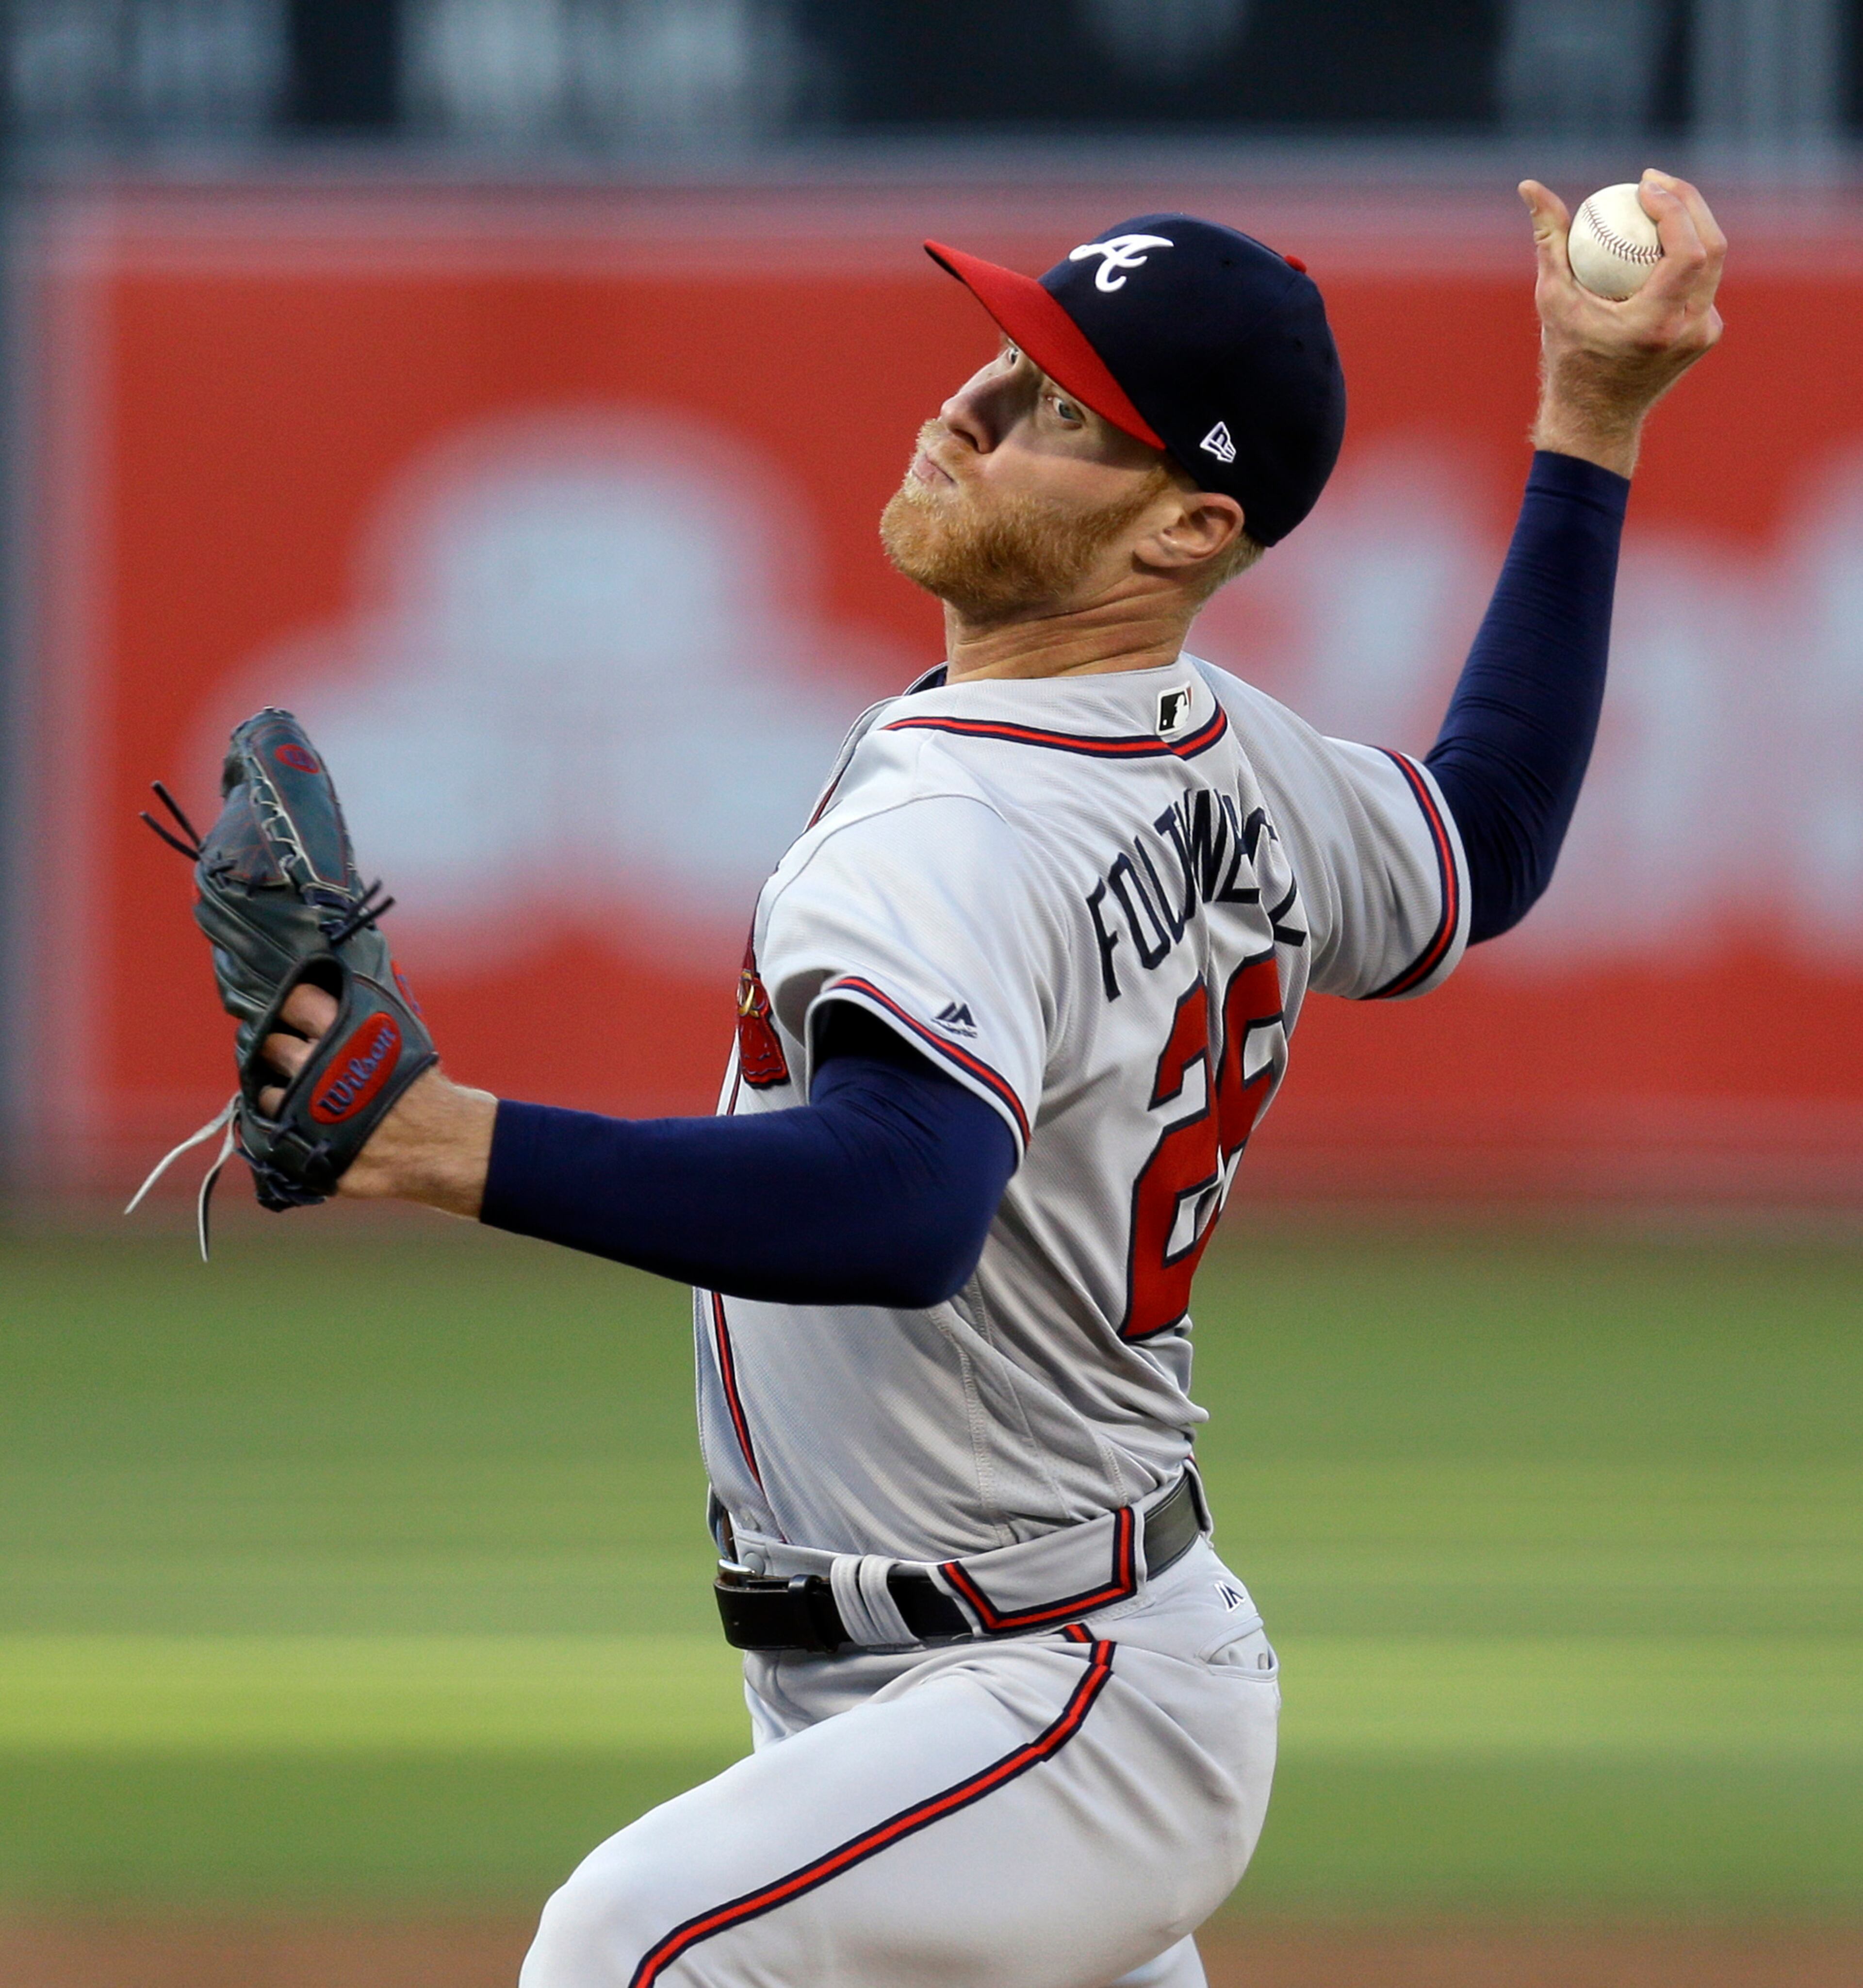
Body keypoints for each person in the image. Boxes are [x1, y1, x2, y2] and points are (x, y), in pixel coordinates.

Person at [253, 175, 1723, 1988]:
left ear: (1188, 526)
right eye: (1006, 362)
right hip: (1024, 1675)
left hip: (1050, 1700)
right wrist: (1590, 422)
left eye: (1059, 412)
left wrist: (447, 1142)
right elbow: (1486, 832)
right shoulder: (1223, 749)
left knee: (633, 1948)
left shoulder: (962, 817)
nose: (969, 408)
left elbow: (903, 1196)